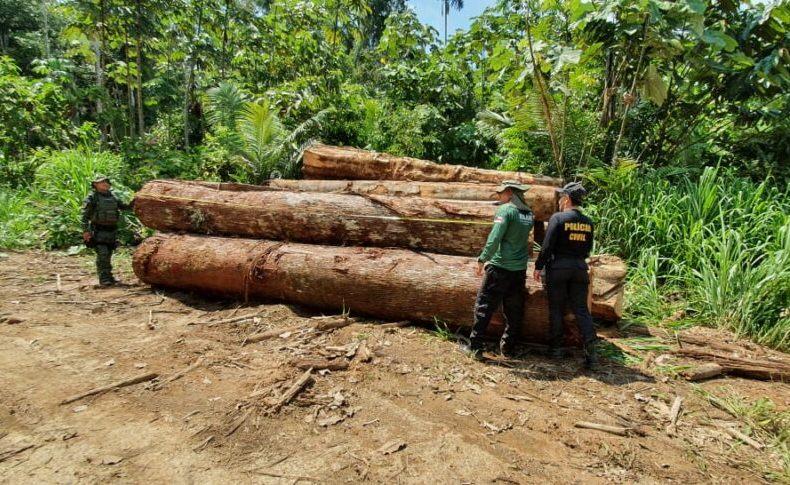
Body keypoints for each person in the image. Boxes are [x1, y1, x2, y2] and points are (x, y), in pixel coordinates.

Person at [460, 181, 534, 359]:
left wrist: (482, 258)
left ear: (509, 193)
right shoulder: (529, 214)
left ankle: (475, 348)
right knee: (513, 310)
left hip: (499, 267)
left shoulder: (506, 211)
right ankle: (508, 348)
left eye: (501, 193)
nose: (499, 197)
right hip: (519, 270)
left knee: (484, 306)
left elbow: (495, 237)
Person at [532, 181, 598, 369]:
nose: (560, 200)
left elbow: (547, 245)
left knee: (556, 308)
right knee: (581, 310)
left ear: (567, 199)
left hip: (559, 269)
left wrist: (538, 266)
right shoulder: (588, 222)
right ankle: (592, 354)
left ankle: (556, 349)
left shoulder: (558, 218)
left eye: (562, 197)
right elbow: (588, 248)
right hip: (579, 269)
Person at [81, 175, 131, 286]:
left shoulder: (113, 196)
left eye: (106, 182)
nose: (105, 184)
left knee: (108, 255)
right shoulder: (92, 198)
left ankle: (109, 277)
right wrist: (85, 231)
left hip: (111, 231)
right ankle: (104, 279)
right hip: (98, 231)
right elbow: (84, 216)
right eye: (101, 182)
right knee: (102, 255)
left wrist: (135, 202)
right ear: (95, 185)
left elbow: (124, 207)